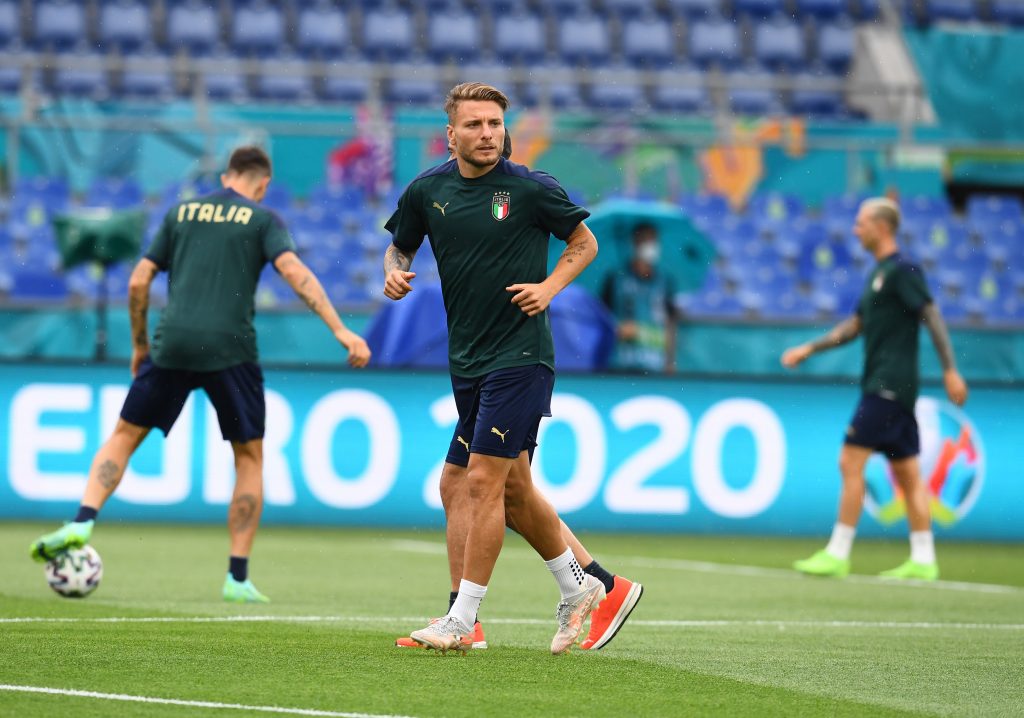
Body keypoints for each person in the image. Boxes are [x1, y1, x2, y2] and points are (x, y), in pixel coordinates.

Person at [29, 146, 372, 602]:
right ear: (262, 184)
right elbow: (295, 273)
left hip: (172, 343)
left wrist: (140, 344)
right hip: (231, 348)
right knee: (248, 458)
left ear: (227, 176)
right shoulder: (263, 218)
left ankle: (82, 521)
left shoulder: (181, 212)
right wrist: (340, 330)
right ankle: (237, 577)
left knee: (124, 436)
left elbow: (138, 281)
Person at [383, 82, 631, 655]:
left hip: (520, 357)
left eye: (495, 123)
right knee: (489, 486)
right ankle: (584, 586)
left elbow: (584, 243)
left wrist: (549, 287)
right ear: (451, 135)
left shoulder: (530, 188)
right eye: (474, 124)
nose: (487, 133)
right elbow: (401, 246)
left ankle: (463, 620)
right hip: (468, 359)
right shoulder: (427, 191)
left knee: (482, 481)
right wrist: (392, 272)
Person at [782, 197, 968, 581]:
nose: (855, 230)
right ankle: (924, 559)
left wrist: (950, 370)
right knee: (908, 473)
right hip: (895, 389)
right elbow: (854, 326)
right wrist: (809, 349)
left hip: (887, 385)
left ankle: (838, 552)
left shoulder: (903, 270)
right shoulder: (877, 274)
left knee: (850, 462)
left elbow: (931, 314)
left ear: (882, 227)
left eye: (861, 223)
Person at [600, 222, 680, 373]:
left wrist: (670, 361)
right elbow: (602, 318)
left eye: (653, 240)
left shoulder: (666, 281)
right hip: (620, 365)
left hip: (655, 367)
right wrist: (617, 330)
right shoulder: (615, 278)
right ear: (634, 243)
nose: (650, 245)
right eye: (644, 239)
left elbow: (671, 326)